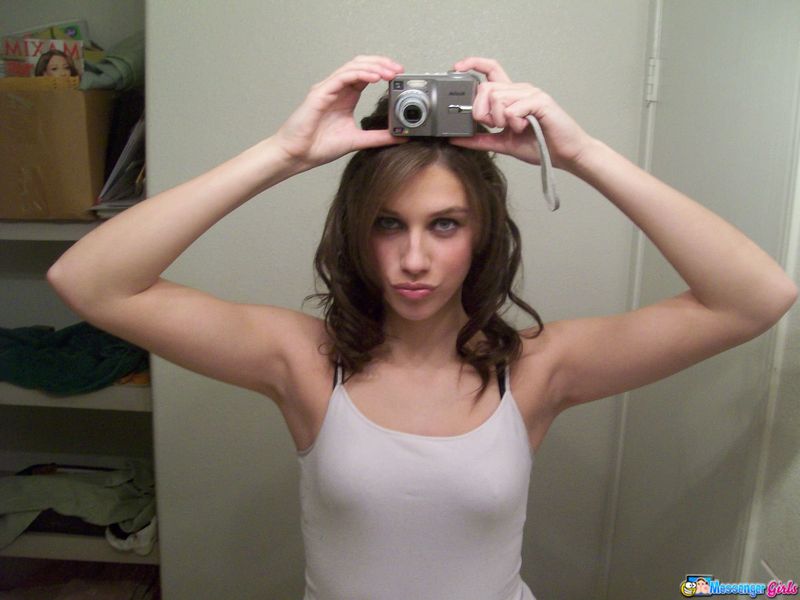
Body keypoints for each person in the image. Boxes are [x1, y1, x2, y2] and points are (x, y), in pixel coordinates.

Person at [47, 56, 797, 599]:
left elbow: (755, 298)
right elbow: (90, 281)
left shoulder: (537, 369)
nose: (413, 258)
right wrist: (284, 153)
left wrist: (580, 154)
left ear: (482, 234)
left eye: (444, 224)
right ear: (357, 233)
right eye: (388, 224)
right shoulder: (304, 361)